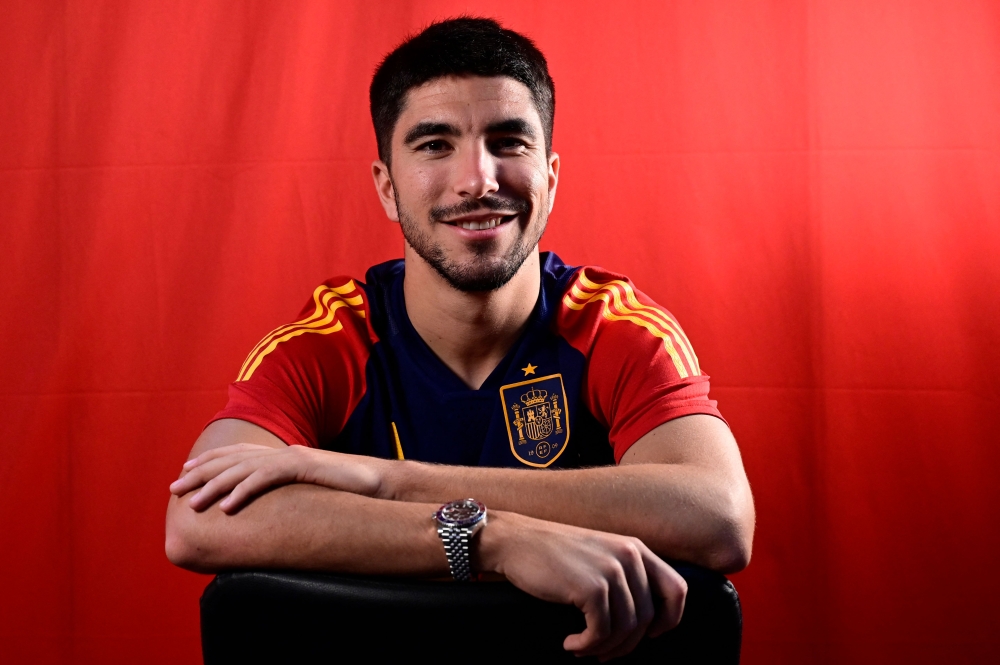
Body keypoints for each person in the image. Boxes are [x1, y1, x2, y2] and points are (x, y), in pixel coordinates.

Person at [166, 17, 754, 661]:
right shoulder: (330, 337)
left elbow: (718, 517)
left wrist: (379, 480)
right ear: (387, 189)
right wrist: (489, 537)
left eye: (508, 142)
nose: (479, 180)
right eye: (434, 145)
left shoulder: (614, 325)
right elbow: (198, 519)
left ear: (551, 178)